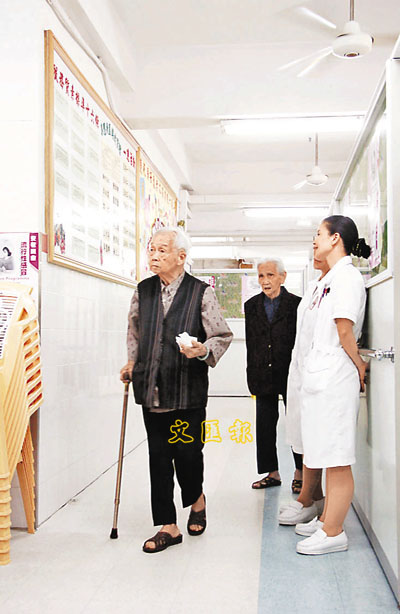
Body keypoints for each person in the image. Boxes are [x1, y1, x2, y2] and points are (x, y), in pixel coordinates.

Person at [120, 227, 233, 554]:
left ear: (181, 257)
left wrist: (203, 350)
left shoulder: (201, 292)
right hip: (151, 389)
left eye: (162, 250)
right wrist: (131, 362)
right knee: (158, 458)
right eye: (151, 249)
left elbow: (222, 335)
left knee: (187, 454)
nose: (154, 256)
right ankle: (167, 525)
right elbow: (134, 331)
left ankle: (197, 500)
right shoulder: (143, 290)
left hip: (186, 392)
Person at [295, 215, 370, 555]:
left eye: (319, 234)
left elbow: (344, 329)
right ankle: (326, 518)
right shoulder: (332, 277)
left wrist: (359, 365)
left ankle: (334, 531)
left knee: (338, 457)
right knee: (325, 452)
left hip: (336, 375)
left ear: (336, 238)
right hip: (322, 375)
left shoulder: (348, 277)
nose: (315, 240)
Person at [278, 255, 329, 527]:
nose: (315, 242)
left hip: (321, 375)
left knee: (318, 444)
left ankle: (314, 505)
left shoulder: (343, 281)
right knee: (305, 439)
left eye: (320, 236)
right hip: (303, 372)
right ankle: (311, 499)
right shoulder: (315, 286)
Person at [244, 258, 302, 492]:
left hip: (290, 373)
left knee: (295, 424)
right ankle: (272, 473)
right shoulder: (251, 306)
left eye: (270, 275)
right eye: (261, 276)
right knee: (265, 425)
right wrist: (251, 372)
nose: (265, 281)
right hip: (261, 373)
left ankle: (300, 472)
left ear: (282, 276)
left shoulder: (297, 305)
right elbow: (251, 344)